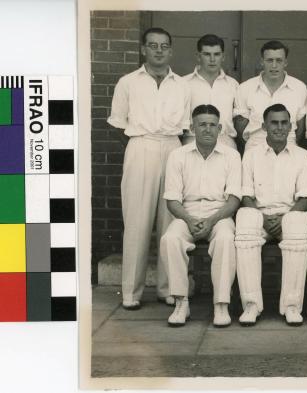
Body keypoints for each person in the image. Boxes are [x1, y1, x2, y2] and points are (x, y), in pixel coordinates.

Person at [107, 27, 190, 310]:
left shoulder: (182, 85)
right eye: (153, 45)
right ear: (143, 49)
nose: (158, 50)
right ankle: (131, 292)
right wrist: (138, 147)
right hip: (140, 146)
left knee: (171, 221)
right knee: (137, 222)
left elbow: (187, 127)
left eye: (164, 46)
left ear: (171, 50)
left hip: (173, 146)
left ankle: (168, 289)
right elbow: (117, 125)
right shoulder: (128, 82)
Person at [160, 104, 241, 327]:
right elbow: (172, 200)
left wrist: (211, 220)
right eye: (202, 124)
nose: (207, 129)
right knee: (170, 239)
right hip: (187, 214)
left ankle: (221, 304)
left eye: (212, 125)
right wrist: (190, 220)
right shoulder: (178, 155)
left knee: (226, 239)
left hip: (220, 214)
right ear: (192, 128)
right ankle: (181, 301)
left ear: (220, 128)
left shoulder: (232, 156)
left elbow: (234, 200)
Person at [235, 104, 307, 326]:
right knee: (245, 224)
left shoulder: (302, 155)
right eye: (274, 123)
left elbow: (305, 198)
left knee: (297, 229)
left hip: (289, 216)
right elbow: (246, 195)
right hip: (259, 215)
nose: (279, 128)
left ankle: (291, 306)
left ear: (291, 126)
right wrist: (262, 218)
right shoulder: (251, 155)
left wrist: (284, 219)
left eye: (284, 123)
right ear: (264, 126)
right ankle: (251, 305)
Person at [234, 41, 307, 152]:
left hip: (289, 145)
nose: (274, 65)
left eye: (279, 60)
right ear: (262, 62)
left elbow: (300, 127)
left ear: (285, 62)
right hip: (255, 146)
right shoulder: (245, 88)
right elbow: (240, 127)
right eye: (269, 60)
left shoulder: (299, 88)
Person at [183, 34, 239, 149]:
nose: (212, 59)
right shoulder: (184, 83)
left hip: (225, 141)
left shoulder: (233, 85)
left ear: (223, 56)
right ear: (198, 56)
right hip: (193, 141)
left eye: (217, 54)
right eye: (207, 54)